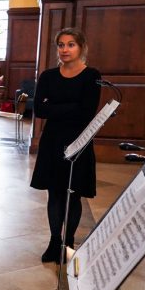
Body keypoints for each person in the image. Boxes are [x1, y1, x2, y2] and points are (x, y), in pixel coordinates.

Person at [31, 27, 101, 263]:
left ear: (81, 47)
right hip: (52, 140)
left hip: (79, 141)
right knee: (55, 193)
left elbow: (87, 112)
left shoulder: (91, 75)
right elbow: (39, 109)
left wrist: (57, 107)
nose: (65, 49)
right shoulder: (48, 76)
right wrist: (71, 106)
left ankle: (68, 241)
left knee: (74, 194)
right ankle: (54, 241)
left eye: (71, 44)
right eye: (61, 44)